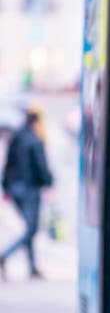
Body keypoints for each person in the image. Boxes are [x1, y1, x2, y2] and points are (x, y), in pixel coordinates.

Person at [0, 108, 53, 278]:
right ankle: (4, 256)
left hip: (15, 189)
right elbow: (41, 165)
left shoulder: (16, 138)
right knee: (31, 229)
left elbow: (8, 164)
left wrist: (6, 188)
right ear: (35, 123)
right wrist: (48, 182)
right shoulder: (35, 140)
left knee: (28, 228)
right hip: (30, 189)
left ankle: (32, 267)